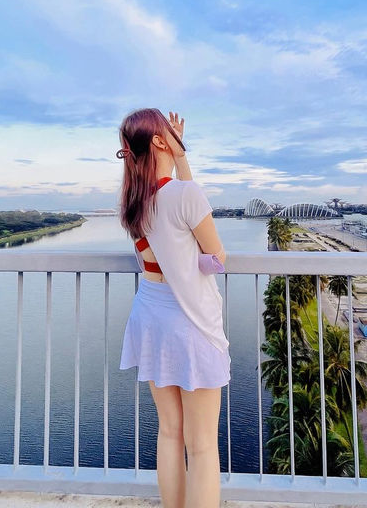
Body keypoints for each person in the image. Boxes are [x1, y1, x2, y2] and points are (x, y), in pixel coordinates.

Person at [116, 108, 230, 508]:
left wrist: (179, 155)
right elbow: (216, 258)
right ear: (162, 141)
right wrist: (196, 261)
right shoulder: (186, 194)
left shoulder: (134, 199)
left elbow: (169, 235)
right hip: (189, 322)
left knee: (169, 432)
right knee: (201, 447)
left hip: (149, 314)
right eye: (169, 130)